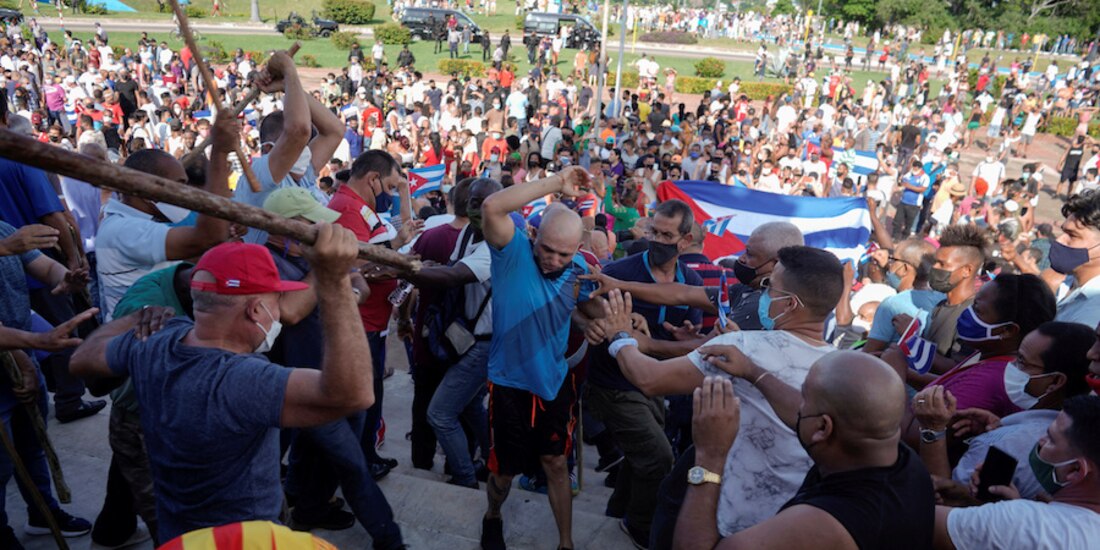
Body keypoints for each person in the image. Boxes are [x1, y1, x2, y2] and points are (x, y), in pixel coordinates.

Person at [70, 225, 374, 542]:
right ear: (256, 309)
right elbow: (352, 394)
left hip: (179, 535)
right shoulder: (243, 379)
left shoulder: (155, 340)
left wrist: (134, 318)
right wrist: (336, 281)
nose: (277, 312)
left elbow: (81, 359)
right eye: (277, 299)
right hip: (241, 539)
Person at [595, 245, 844, 536]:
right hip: (795, 528)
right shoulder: (841, 368)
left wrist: (620, 336)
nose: (763, 295)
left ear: (790, 304)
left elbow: (649, 378)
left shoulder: (745, 347)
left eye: (770, 288)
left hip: (730, 523)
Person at [674, 352, 934, 549]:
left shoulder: (820, 523)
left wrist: (710, 456)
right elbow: (810, 420)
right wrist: (753, 372)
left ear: (823, 428)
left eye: (805, 399)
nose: (799, 408)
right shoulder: (901, 460)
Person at [477, 167, 604, 550]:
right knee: (504, 473)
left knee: (555, 464)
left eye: (563, 253)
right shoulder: (512, 253)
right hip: (508, 383)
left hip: (554, 383)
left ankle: (566, 543)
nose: (551, 259)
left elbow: (583, 311)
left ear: (576, 250)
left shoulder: (579, 271)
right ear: (533, 236)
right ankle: (493, 515)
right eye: (546, 249)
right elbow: (492, 206)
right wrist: (555, 184)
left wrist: (600, 325)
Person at [586, 200, 703, 547]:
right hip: (613, 384)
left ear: (684, 240)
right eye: (653, 231)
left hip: (655, 386)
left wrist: (681, 340)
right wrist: (597, 321)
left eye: (666, 235)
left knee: (645, 456)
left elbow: (689, 341)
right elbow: (585, 300)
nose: (656, 240)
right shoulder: (621, 271)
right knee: (658, 457)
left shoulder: (691, 282)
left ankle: (617, 512)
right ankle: (638, 526)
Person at [913, 321, 1095, 500]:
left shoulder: (1008, 443)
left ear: (1054, 382)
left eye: (1022, 361)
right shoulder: (1074, 434)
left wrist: (932, 430)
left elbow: (943, 498)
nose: (1011, 366)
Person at [400, 178, 503, 488]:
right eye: (472, 202)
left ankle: (465, 476)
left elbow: (454, 275)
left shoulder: (494, 246)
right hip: (470, 338)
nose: (476, 209)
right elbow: (452, 265)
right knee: (470, 406)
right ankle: (494, 462)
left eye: (483, 205)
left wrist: (402, 269)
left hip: (484, 344)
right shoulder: (470, 234)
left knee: (440, 414)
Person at [328, 150, 421, 478]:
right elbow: (357, 271)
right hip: (361, 323)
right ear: (372, 180)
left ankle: (366, 458)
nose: (392, 194)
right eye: (391, 186)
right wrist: (406, 267)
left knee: (372, 395)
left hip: (371, 322)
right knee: (364, 399)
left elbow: (372, 256)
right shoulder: (349, 209)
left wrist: (397, 246)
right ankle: (359, 467)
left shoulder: (358, 206)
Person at [933, 395, 1100, 549]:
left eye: (1050, 438)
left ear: (1075, 469)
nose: (1040, 440)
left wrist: (931, 429)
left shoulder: (1024, 524)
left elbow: (916, 515)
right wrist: (986, 508)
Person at [234, 50, 344, 245]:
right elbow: (298, 130)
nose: (305, 151)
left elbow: (334, 131)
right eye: (296, 147)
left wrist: (288, 86)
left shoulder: (302, 177)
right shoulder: (260, 174)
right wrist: (289, 70)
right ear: (268, 149)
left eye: (305, 146)